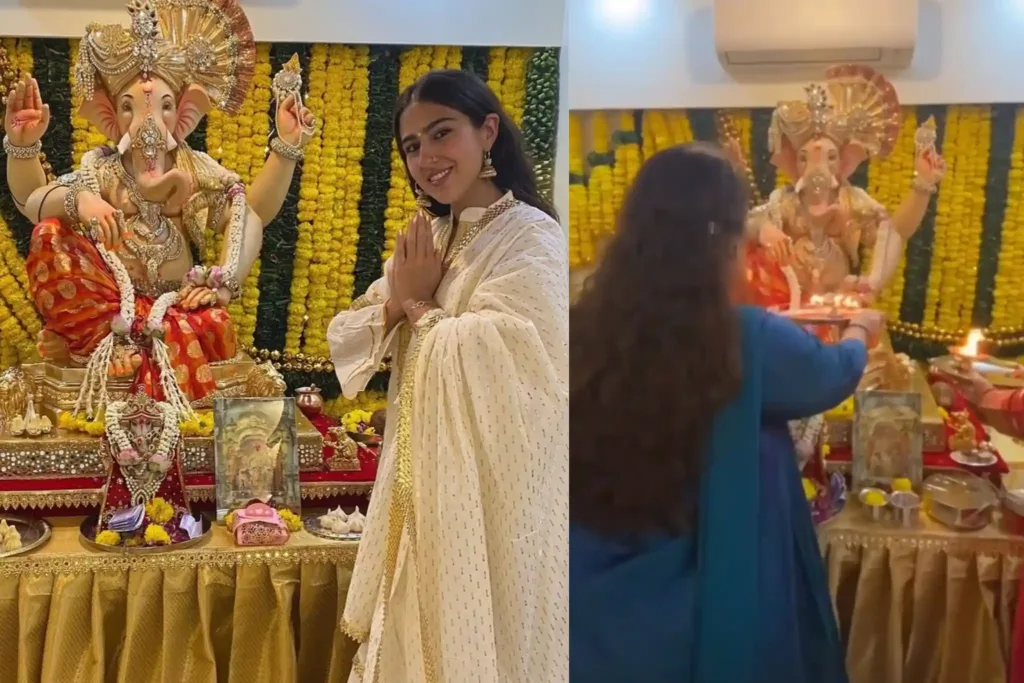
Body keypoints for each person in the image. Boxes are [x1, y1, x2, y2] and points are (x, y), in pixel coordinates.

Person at [570, 143, 884, 683]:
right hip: (713, 608)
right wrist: (860, 331)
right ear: (729, 244)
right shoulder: (745, 337)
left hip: (599, 598)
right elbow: (831, 373)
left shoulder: (583, 328)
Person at [327, 69, 567, 683]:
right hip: (422, 483)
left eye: (442, 134)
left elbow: (519, 361)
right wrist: (396, 302)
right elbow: (349, 333)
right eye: (412, 146)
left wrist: (421, 310)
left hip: (496, 493)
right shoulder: (429, 236)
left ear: (487, 133)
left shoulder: (531, 238)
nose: (427, 158)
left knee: (489, 638)